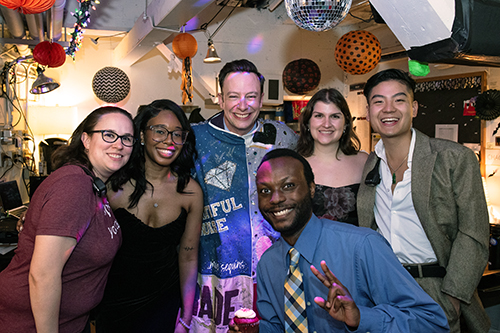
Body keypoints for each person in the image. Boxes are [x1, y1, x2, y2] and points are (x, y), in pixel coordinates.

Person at [235, 148, 449, 332]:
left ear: (311, 188)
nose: (276, 198)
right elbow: (278, 327)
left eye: (288, 186)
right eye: (265, 190)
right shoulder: (268, 264)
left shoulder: (363, 246)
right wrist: (252, 330)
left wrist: (361, 319)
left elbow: (432, 322)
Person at [357, 68, 490, 332]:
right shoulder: (371, 162)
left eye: (399, 100)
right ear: (370, 110)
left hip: (435, 288)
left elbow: (473, 233)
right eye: (378, 101)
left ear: (414, 108)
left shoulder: (453, 158)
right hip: (383, 289)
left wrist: (452, 295)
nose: (388, 109)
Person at [0, 106, 135, 333]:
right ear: (86, 139)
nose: (119, 144)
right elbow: (43, 275)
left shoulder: (93, 184)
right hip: (28, 324)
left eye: (127, 138)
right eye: (109, 135)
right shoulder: (75, 184)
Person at [190, 59, 298, 332]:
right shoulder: (196, 138)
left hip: (273, 264)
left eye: (251, 96)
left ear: (262, 99)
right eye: (234, 96)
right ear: (219, 99)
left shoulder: (282, 137)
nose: (243, 105)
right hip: (214, 269)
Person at [94, 100, 203, 333]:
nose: (169, 140)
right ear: (142, 135)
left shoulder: (190, 192)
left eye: (177, 134)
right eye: (160, 131)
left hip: (165, 305)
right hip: (115, 305)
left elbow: (188, 257)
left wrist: (186, 315)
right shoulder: (113, 186)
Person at [297, 88, 368, 225]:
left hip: (356, 246)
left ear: (346, 123)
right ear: (307, 123)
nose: (327, 124)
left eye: (335, 116)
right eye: (319, 116)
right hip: (306, 246)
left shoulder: (365, 162)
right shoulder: (294, 165)